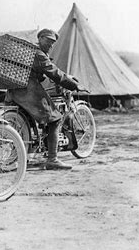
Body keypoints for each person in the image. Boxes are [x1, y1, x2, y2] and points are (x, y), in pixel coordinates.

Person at [8, 28, 87, 170]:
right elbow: (53, 72)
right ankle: (52, 159)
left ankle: (22, 153)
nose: (50, 45)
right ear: (40, 38)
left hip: (14, 91)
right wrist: (74, 85)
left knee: (31, 118)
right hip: (28, 90)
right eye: (48, 41)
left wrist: (65, 76)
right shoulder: (38, 54)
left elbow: (51, 68)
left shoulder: (30, 51)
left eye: (53, 43)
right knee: (55, 118)